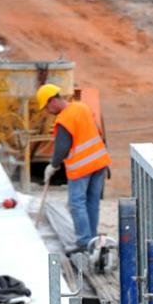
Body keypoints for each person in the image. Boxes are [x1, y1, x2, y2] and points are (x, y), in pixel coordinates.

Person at [36, 83, 110, 252]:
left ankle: (84, 242)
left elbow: (62, 147)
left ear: (52, 101)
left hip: (81, 167)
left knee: (77, 204)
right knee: (92, 202)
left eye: (46, 107)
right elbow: (97, 133)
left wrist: (53, 166)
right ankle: (92, 240)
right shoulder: (82, 107)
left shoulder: (64, 119)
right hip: (99, 163)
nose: (47, 111)